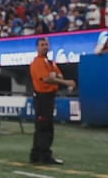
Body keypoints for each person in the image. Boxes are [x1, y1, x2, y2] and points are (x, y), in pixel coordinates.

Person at [30, 36, 74, 165]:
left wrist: (56, 77)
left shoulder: (49, 62)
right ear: (37, 47)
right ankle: (44, 155)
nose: (45, 47)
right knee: (45, 127)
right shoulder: (38, 62)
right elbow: (46, 79)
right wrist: (64, 82)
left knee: (43, 127)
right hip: (43, 97)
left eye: (46, 44)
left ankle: (36, 155)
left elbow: (57, 75)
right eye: (42, 44)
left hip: (48, 97)